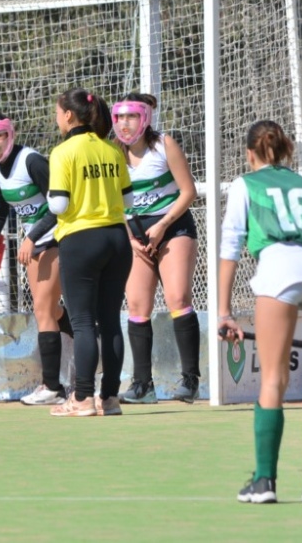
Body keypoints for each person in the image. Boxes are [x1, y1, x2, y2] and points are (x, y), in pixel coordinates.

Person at [217, 119, 302, 504]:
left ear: (249, 153)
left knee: (273, 381)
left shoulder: (244, 184)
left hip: (279, 273)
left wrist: (224, 311)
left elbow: (230, 247)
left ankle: (264, 482)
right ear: (286, 149)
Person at [0, 112, 74, 406]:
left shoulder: (31, 161)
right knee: (51, 311)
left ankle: (52, 387)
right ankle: (87, 344)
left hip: (57, 237)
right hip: (35, 243)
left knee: (43, 310)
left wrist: (31, 238)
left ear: (10, 135)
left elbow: (59, 206)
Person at [47, 88, 133, 417]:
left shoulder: (63, 152)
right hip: (116, 238)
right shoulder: (112, 150)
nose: (57, 118)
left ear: (70, 115)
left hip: (81, 239)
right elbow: (127, 202)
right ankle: (109, 398)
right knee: (110, 320)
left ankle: (82, 398)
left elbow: (58, 204)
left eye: (58, 112)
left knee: (83, 323)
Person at [112, 93, 201, 404]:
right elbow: (113, 204)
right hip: (136, 236)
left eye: (131, 117)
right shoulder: (114, 154)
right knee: (137, 307)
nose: (124, 124)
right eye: (120, 118)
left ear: (145, 118)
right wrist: (129, 237)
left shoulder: (164, 144)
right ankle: (142, 385)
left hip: (173, 227)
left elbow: (188, 191)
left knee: (178, 297)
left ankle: (190, 380)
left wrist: (162, 225)